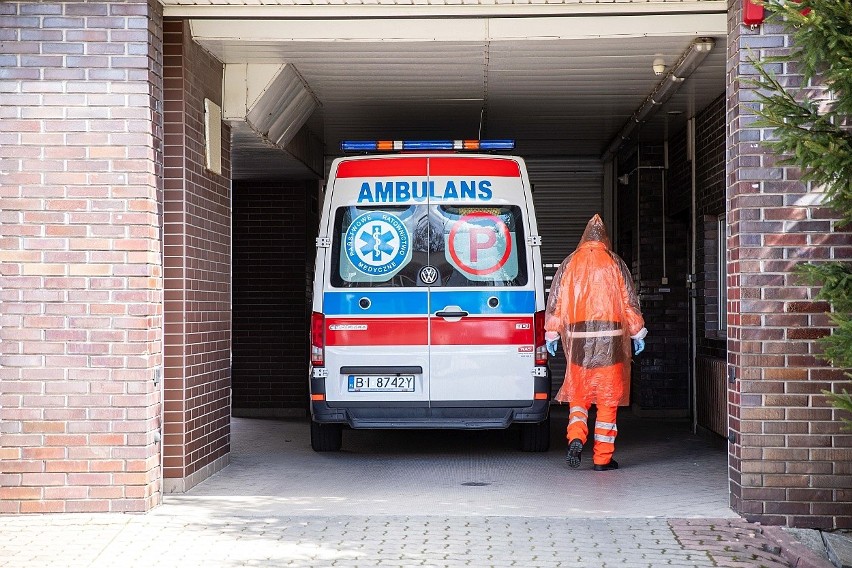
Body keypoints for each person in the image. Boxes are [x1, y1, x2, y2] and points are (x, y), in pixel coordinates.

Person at [544, 214, 647, 471]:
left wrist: (552, 332)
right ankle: (602, 458)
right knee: (607, 399)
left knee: (579, 397)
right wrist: (637, 333)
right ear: (604, 239)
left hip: (579, 340)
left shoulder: (570, 264)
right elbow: (628, 302)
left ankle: (576, 437)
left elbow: (558, 302)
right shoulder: (614, 263)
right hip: (610, 339)